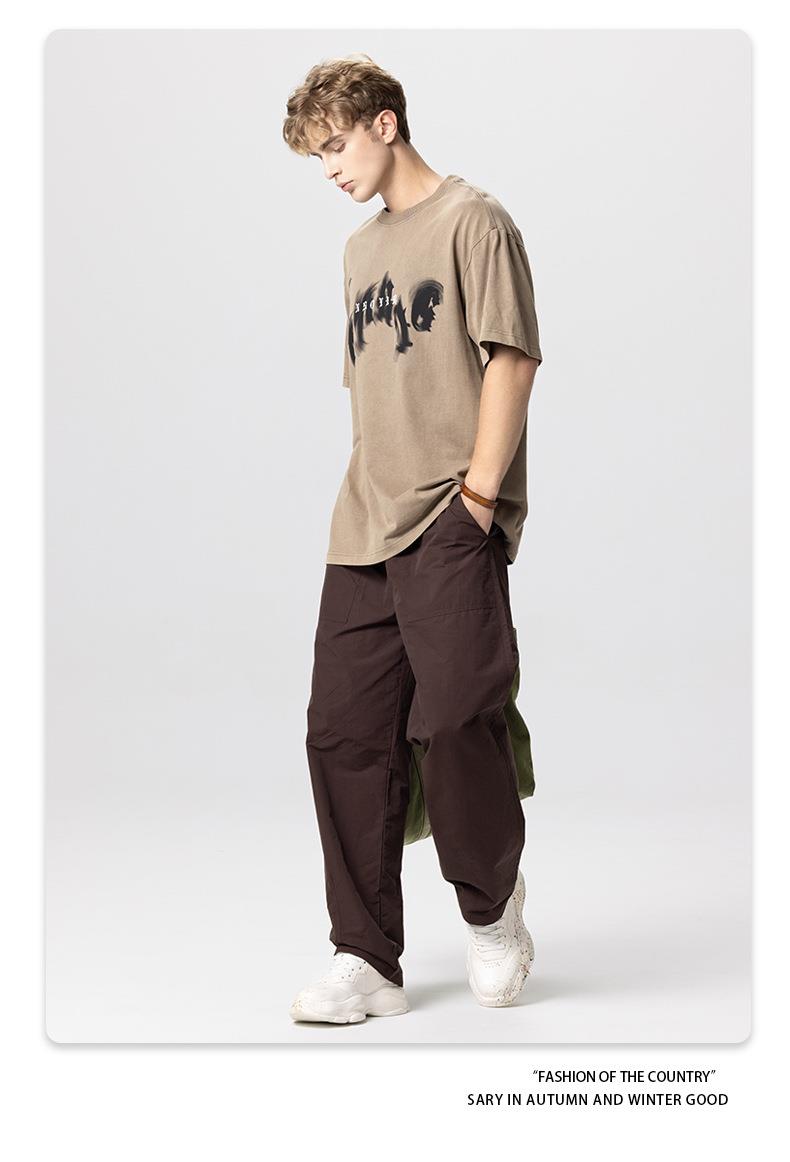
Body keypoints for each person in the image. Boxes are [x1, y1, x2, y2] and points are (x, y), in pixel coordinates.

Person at [281, 53, 543, 1024]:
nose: (329, 169)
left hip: (448, 513)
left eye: (334, 146)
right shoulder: (359, 251)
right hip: (363, 522)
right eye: (315, 156)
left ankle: (491, 910)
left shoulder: (476, 221)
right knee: (343, 734)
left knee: (457, 719)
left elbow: (511, 358)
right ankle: (366, 956)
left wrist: (478, 499)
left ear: (384, 124)